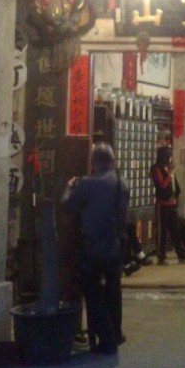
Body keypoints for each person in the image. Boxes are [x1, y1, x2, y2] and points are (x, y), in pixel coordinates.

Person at [61, 143, 129, 354]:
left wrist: (69, 187)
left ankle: (106, 341)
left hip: (93, 246)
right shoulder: (121, 182)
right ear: (112, 161)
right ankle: (116, 333)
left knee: (92, 292)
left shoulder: (87, 183)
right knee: (113, 290)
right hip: (115, 245)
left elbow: (67, 206)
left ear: (93, 162)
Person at [150, 145, 185, 265]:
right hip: (163, 205)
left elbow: (174, 184)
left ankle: (182, 256)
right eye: (169, 155)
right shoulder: (156, 169)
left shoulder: (168, 167)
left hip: (172, 204)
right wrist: (170, 174)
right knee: (162, 232)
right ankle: (161, 257)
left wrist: (176, 195)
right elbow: (161, 185)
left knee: (176, 230)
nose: (170, 158)